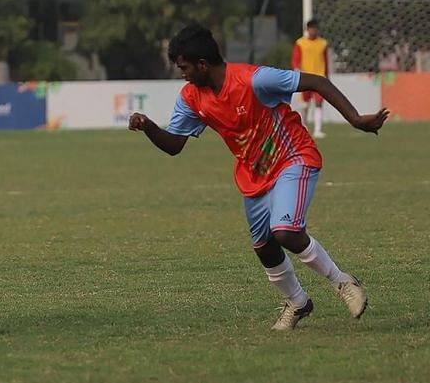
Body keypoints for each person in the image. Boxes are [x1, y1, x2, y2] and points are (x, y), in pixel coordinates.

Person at [129, 24, 388, 330]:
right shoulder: (191, 97)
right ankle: (298, 302)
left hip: (293, 157)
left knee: (285, 231)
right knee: (265, 245)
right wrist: (148, 126)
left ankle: (343, 282)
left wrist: (356, 119)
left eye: (183, 67)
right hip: (254, 174)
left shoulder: (255, 79)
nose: (181, 73)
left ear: (202, 65)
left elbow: (316, 82)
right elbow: (174, 146)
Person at [292, 19, 329, 138]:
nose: (313, 31)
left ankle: (318, 129)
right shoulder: (300, 43)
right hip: (305, 78)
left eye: (315, 28)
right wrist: (297, 71)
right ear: (307, 30)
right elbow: (296, 59)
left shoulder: (323, 43)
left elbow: (325, 60)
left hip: (319, 78)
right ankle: (304, 127)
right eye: (311, 28)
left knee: (318, 103)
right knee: (305, 105)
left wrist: (327, 74)